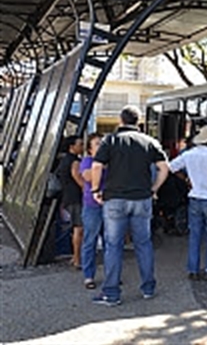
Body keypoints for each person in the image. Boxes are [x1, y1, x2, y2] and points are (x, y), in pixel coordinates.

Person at [90, 105, 169, 306]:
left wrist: (95, 189)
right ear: (138, 120)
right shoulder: (150, 141)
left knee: (114, 246)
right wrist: (154, 188)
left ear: (121, 120)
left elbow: (97, 165)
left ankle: (111, 293)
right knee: (143, 244)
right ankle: (148, 288)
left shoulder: (110, 140)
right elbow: (163, 167)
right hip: (142, 199)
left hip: (115, 199)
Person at [169, 124, 207, 281]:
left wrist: (186, 179)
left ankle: (193, 269)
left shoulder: (189, 154)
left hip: (195, 198)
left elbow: (170, 167)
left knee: (195, 235)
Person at [80, 133, 104, 289]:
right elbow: (87, 177)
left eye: (102, 143)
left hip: (108, 204)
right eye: (97, 144)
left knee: (111, 242)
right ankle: (88, 275)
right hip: (92, 206)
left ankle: (112, 273)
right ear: (89, 149)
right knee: (90, 241)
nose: (101, 146)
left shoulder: (110, 162)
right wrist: (99, 165)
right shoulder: (87, 161)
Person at [56, 135, 84, 269]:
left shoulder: (64, 160)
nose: (82, 146)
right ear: (72, 147)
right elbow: (78, 179)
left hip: (68, 197)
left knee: (75, 228)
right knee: (79, 228)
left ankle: (75, 256)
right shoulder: (74, 162)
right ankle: (77, 259)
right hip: (76, 198)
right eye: (80, 144)